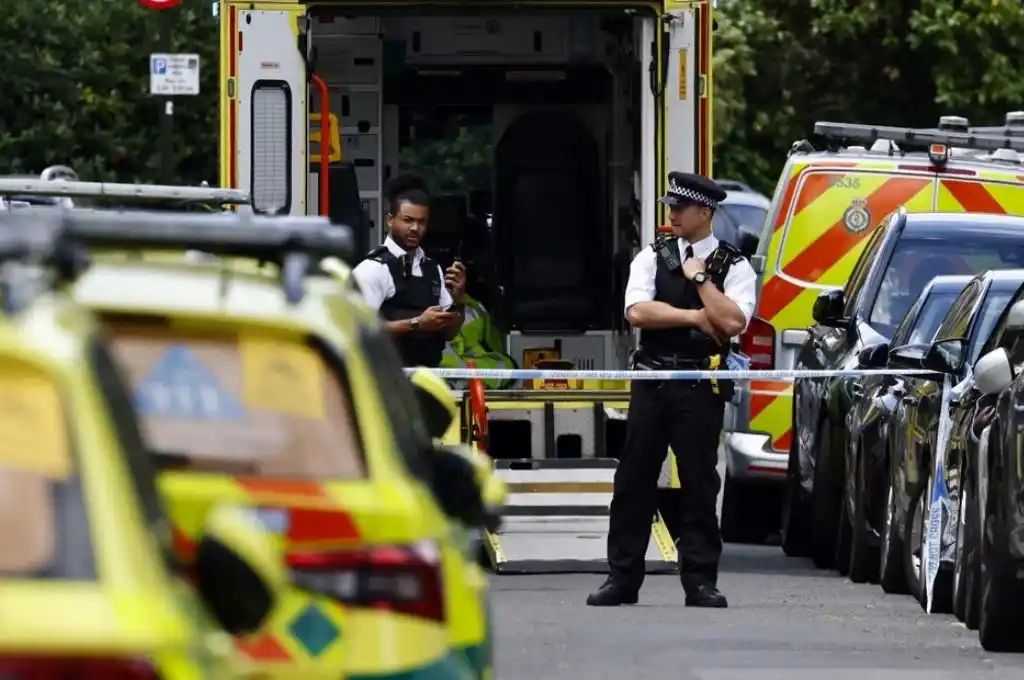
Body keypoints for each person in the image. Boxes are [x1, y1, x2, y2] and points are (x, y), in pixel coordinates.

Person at [587, 172, 757, 609]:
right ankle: (622, 578)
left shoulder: (733, 266)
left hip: (700, 383)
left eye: (680, 208)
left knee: (699, 483)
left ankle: (700, 581)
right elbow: (638, 311)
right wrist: (697, 318)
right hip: (653, 379)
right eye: (670, 206)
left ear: (705, 213)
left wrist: (701, 281)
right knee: (633, 480)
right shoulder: (652, 257)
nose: (672, 214)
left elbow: (735, 322)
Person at [352, 175, 467, 367]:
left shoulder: (432, 268)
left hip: (428, 378)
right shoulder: (373, 268)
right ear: (391, 220)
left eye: (422, 222)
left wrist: (458, 300)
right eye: (408, 220)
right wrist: (416, 324)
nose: (415, 228)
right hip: (389, 380)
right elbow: (360, 331)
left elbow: (450, 334)